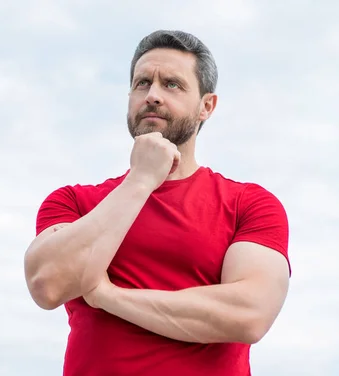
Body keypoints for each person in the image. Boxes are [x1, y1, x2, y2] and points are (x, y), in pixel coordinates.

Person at [23, 29, 291, 376]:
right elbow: (48, 284)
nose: (152, 95)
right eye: (142, 83)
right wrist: (142, 179)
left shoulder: (249, 203)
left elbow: (249, 314)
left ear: (206, 106)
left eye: (172, 85)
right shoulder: (74, 201)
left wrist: (107, 296)